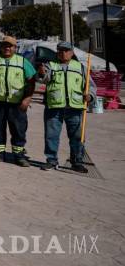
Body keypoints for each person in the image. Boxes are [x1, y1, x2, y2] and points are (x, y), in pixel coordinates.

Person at [40, 42, 94, 173]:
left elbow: (90, 85)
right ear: (57, 52)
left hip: (75, 108)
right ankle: (51, 161)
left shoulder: (80, 67)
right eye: (61, 51)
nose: (64, 53)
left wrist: (90, 96)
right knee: (51, 136)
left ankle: (77, 161)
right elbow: (44, 79)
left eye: (67, 51)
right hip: (54, 107)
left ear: (72, 52)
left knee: (77, 136)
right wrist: (42, 73)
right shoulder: (50, 65)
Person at [0, 36, 35, 166]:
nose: (7, 48)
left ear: (15, 48)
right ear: (1, 47)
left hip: (17, 103)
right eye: (5, 46)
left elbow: (31, 80)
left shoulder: (23, 61)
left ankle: (19, 155)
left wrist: (27, 98)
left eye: (10, 46)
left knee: (18, 129)